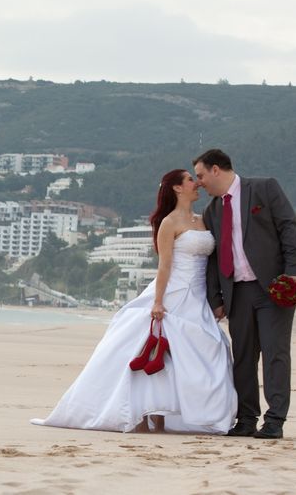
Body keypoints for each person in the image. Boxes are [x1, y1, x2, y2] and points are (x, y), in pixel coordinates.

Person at [30, 169, 237, 434]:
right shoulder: (169, 223)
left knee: (206, 350)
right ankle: (145, 414)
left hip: (198, 297)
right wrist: (158, 302)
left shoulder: (203, 219)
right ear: (176, 188)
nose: (196, 183)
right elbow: (164, 267)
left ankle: (169, 415)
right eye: (189, 180)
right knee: (157, 352)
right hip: (174, 293)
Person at [193, 149, 296, 440]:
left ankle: (275, 420)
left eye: (201, 175)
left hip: (273, 288)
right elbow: (214, 259)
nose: (199, 182)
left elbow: (288, 228)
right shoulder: (212, 211)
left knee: (274, 354)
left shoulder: (264, 188)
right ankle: (246, 419)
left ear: (217, 169)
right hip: (237, 293)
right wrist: (216, 299)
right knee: (242, 357)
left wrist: (294, 272)